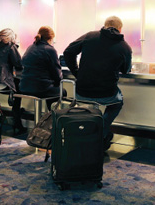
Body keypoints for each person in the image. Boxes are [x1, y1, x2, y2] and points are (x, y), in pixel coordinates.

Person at [63, 16, 132, 151]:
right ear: (120, 29)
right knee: (117, 103)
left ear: (104, 25)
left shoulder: (90, 36)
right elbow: (126, 70)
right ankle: (100, 131)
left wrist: (77, 72)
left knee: (89, 107)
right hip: (107, 92)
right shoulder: (124, 47)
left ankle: (89, 132)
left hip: (82, 90)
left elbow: (68, 52)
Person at [19, 26, 63, 112]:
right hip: (40, 89)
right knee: (61, 91)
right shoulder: (50, 50)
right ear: (50, 38)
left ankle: (46, 120)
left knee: (50, 89)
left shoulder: (30, 47)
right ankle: (52, 119)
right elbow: (58, 76)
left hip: (24, 87)